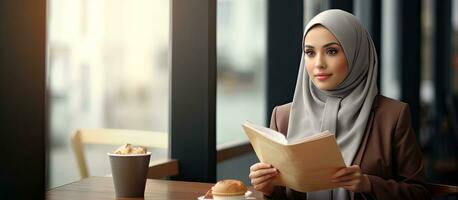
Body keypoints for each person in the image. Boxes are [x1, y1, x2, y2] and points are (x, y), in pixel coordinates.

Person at [248, 9, 430, 200]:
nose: (319, 63)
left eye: (332, 51)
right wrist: (268, 189)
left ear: (356, 54)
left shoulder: (392, 116)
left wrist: (368, 184)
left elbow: (419, 193)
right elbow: (283, 195)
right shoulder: (283, 116)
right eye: (310, 52)